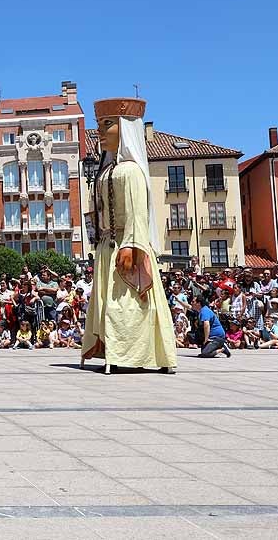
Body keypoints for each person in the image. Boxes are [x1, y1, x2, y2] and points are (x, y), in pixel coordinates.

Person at [81, 98, 178, 374]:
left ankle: (134, 354)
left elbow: (137, 213)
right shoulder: (107, 170)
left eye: (107, 124)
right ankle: (114, 351)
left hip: (126, 246)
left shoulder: (132, 171)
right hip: (107, 245)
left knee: (127, 304)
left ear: (125, 128)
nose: (100, 131)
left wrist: (132, 246)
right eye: (99, 124)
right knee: (111, 304)